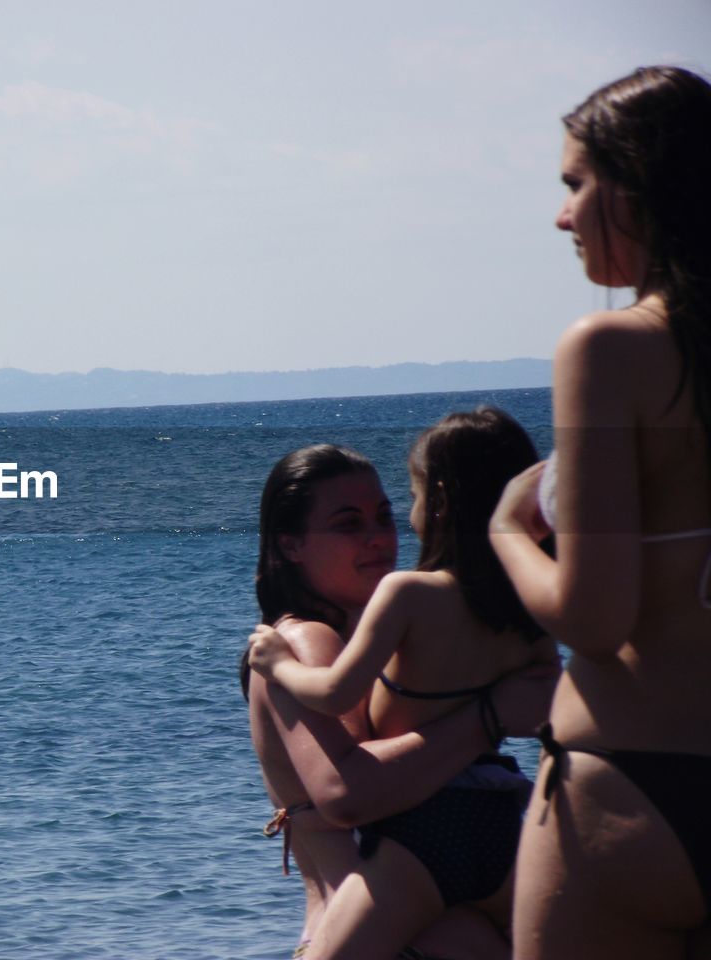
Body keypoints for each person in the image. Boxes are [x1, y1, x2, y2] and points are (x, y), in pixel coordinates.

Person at [488, 66, 711, 959]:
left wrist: (507, 529)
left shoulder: (611, 349)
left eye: (577, 184)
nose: (563, 215)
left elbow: (594, 612)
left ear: (640, 186)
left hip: (633, 786)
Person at [250, 411, 559, 959]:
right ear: (290, 545)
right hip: (403, 923)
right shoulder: (308, 643)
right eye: (348, 524)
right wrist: (490, 713)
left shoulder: (407, 621)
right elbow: (347, 795)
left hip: (413, 912)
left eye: (385, 516)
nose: (377, 538)